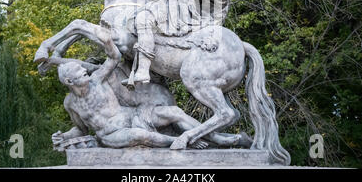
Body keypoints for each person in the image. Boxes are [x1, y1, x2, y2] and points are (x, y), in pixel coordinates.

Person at [52, 61, 252, 149]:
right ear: (69, 82)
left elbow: (113, 57)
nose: (84, 70)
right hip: (112, 134)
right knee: (140, 136)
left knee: (173, 112)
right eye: (79, 71)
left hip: (133, 115)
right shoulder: (70, 103)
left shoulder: (97, 79)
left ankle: (220, 139)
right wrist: (64, 136)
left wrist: (104, 37)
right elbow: (80, 129)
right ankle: (185, 141)